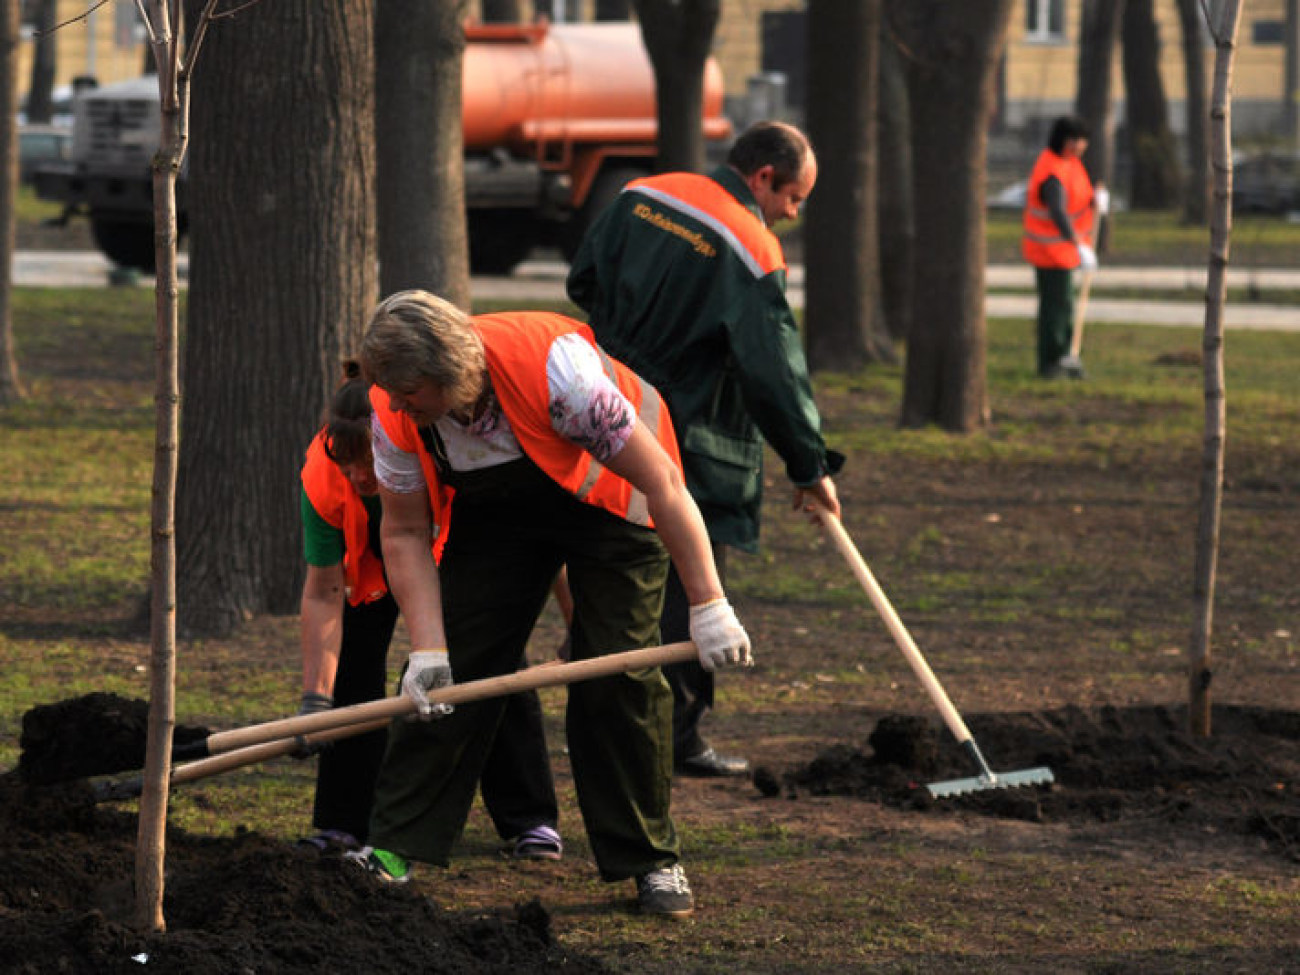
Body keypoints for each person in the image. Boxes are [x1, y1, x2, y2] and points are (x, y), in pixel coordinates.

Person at [346, 290, 751, 919]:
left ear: (452, 375)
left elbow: (664, 483)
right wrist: (427, 647)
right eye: (391, 392)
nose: (397, 404)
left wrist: (708, 603)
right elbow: (401, 532)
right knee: (450, 677)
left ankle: (650, 860)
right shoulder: (394, 408)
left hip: (612, 504)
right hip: (500, 514)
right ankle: (394, 847)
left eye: (410, 392)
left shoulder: (562, 376)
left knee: (619, 674)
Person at [566, 120, 843, 779]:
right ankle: (676, 736)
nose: (792, 214)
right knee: (686, 582)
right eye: (794, 197)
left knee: (606, 568)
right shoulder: (753, 249)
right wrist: (809, 465)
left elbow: (583, 280)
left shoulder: (641, 194)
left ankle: (604, 715)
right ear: (764, 178)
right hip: (684, 438)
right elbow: (774, 373)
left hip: (599, 411)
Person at [295, 362, 562, 861]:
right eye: (344, 462)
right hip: (372, 569)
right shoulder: (322, 475)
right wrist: (316, 699)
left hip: (442, 557)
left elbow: (546, 552)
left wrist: (576, 622)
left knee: (486, 659)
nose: (355, 475)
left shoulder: (436, 454)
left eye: (364, 462)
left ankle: (530, 819)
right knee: (351, 668)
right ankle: (343, 821)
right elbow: (322, 592)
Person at [1021, 114, 1106, 380]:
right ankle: (1051, 361)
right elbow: (1057, 211)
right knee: (1055, 308)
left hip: (1066, 250)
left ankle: (1066, 355)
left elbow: (1078, 198)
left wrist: (1096, 201)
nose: (1082, 145)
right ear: (1065, 141)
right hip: (1050, 251)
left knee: (1066, 306)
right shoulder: (1051, 171)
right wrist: (1077, 244)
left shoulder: (1070, 164)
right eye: (1078, 140)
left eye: (1084, 140)